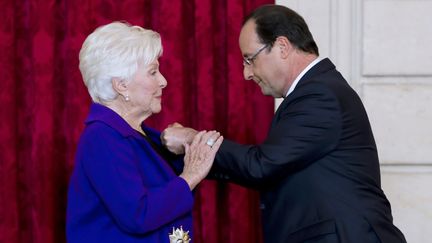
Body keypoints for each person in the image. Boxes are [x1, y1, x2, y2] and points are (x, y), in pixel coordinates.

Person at [161, 5, 406, 243]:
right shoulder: (315, 91)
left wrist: (193, 140)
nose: (246, 73)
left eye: (250, 59)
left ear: (282, 46)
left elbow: (262, 165)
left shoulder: (319, 94)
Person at [66, 22, 223, 243]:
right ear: (121, 85)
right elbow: (137, 214)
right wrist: (189, 177)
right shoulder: (102, 137)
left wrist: (185, 154)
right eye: (153, 72)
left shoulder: (140, 136)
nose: (163, 81)